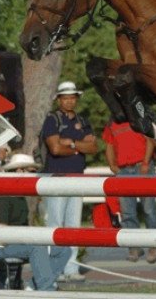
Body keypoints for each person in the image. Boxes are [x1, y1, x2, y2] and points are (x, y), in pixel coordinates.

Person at [40, 81, 97, 282]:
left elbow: (93, 147)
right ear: (59, 99)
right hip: (56, 177)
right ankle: (54, 269)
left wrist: (71, 143)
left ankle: (71, 268)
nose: (69, 101)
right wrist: (79, 146)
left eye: (73, 97)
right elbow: (54, 149)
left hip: (77, 178)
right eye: (66, 97)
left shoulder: (83, 119)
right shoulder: (52, 119)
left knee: (73, 224)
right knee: (56, 224)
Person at [0, 154, 71, 291]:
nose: (35, 175)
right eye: (31, 171)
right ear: (19, 171)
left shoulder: (20, 196)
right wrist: (28, 237)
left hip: (17, 242)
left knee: (64, 249)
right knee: (36, 247)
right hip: (0, 247)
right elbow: (1, 229)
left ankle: (34, 286)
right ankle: (47, 289)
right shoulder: (5, 195)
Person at [103, 120, 156, 263]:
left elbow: (150, 139)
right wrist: (112, 165)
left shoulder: (137, 118)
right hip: (124, 169)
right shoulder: (111, 124)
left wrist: (146, 163)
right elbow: (109, 145)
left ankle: (154, 244)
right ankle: (134, 247)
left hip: (142, 166)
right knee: (127, 212)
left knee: (148, 209)